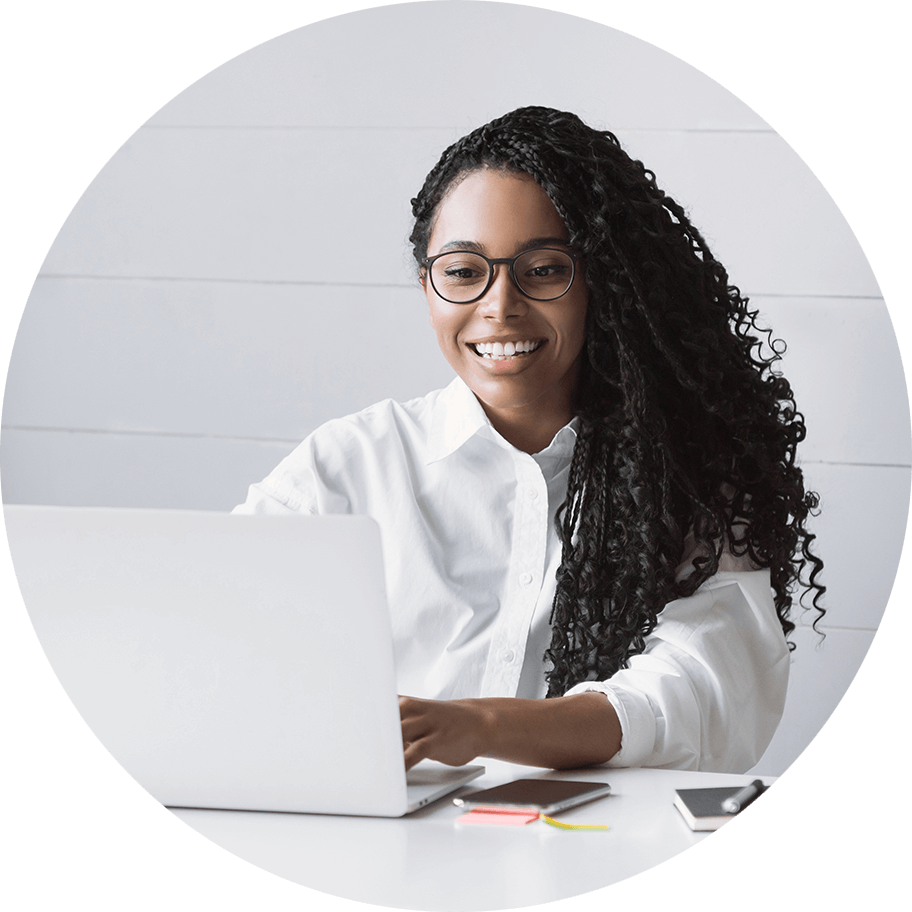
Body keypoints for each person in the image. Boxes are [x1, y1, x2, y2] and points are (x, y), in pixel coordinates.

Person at [233, 106, 825, 774]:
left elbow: (696, 691)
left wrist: (480, 725)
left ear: (603, 282)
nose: (500, 305)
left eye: (543, 269)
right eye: (462, 271)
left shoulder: (686, 479)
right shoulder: (347, 468)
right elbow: (214, 629)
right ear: (427, 284)